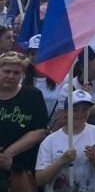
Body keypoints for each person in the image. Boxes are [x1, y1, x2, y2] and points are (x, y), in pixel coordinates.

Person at [35, 89, 95, 192]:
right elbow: (40, 180)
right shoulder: (50, 141)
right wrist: (61, 162)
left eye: (85, 109)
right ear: (65, 113)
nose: (80, 114)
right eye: (75, 110)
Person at [0, 51, 48, 192]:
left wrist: (9, 154)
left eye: (16, 73)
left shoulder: (33, 95)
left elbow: (40, 130)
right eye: (6, 71)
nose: (11, 76)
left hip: (23, 168)